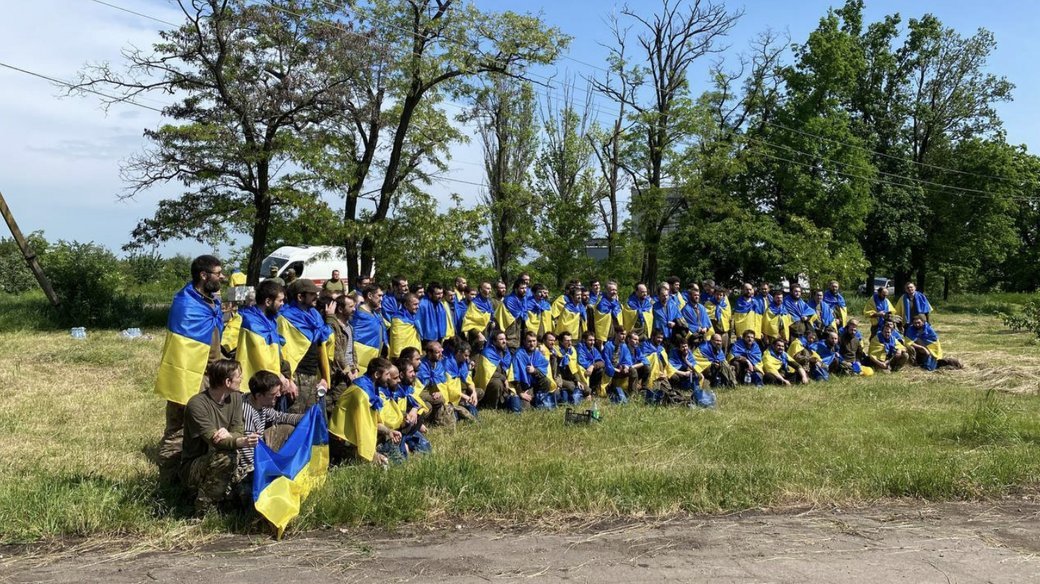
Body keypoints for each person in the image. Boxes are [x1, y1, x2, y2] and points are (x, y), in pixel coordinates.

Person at [155, 254, 225, 484]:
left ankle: (191, 481)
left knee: (204, 432)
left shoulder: (211, 303)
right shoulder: (186, 304)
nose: (222, 277)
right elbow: (184, 350)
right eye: (218, 273)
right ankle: (167, 483)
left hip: (209, 377)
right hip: (186, 377)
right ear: (204, 275)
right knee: (178, 430)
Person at [180, 359, 256, 515]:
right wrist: (240, 441)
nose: (242, 379)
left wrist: (230, 435)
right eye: (239, 376)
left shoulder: (235, 397)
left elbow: (238, 429)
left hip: (224, 458)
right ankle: (203, 509)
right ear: (227, 382)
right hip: (195, 465)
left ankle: (224, 499)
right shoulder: (197, 405)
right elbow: (214, 441)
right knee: (225, 457)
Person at [236, 370, 303, 495]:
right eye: (273, 394)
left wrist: (304, 418)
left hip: (257, 446)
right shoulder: (247, 413)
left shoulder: (261, 404)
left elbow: (279, 417)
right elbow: (246, 451)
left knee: (288, 429)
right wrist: (258, 474)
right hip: (244, 460)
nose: (278, 395)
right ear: (259, 395)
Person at [278, 279, 334, 413]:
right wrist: (288, 380)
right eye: (312, 294)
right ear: (300, 297)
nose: (316, 296)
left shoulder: (315, 316)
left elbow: (322, 346)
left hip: (314, 377)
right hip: (296, 377)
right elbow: (282, 352)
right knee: (293, 419)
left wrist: (324, 377)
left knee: (311, 419)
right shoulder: (285, 318)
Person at [236, 279, 295, 405]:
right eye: (280, 300)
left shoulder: (270, 321)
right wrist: (279, 377)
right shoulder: (250, 321)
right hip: (253, 389)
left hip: (269, 385)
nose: (283, 304)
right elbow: (261, 358)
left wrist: (286, 376)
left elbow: (276, 354)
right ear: (268, 302)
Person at [329, 357, 397, 466]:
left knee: (388, 441)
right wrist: (372, 454)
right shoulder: (362, 394)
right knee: (381, 463)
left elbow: (373, 422)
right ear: (376, 375)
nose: (390, 377)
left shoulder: (370, 388)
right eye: (387, 374)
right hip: (342, 442)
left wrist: (389, 431)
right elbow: (363, 427)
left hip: (352, 440)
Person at [416, 341, 457, 427]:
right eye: (437, 352)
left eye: (441, 352)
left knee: (435, 402)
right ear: (429, 353)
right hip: (422, 393)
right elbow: (418, 387)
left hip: (433, 392)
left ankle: (436, 420)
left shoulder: (439, 364)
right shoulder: (421, 365)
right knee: (438, 400)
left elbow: (443, 383)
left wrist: (440, 392)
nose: (441, 354)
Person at [474, 331, 516, 411]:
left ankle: (503, 404)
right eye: (501, 339)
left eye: (505, 339)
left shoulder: (506, 353)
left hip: (505, 382)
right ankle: (491, 407)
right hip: (489, 383)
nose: (504, 341)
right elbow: (488, 373)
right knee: (497, 383)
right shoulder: (486, 353)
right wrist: (504, 379)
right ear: (494, 342)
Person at [513, 331, 553, 409]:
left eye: (534, 341)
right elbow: (515, 376)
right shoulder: (518, 355)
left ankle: (538, 401)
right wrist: (520, 392)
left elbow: (543, 371)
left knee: (546, 381)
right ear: (524, 342)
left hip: (534, 384)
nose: (532, 344)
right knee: (525, 408)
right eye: (529, 341)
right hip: (523, 386)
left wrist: (534, 370)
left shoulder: (537, 353)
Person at [352, 284, 388, 371]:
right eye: (379, 295)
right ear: (370, 295)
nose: (381, 299)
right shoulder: (358, 315)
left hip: (375, 358)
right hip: (361, 360)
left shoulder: (376, 314)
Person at [444, 340, 481, 418]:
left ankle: (464, 406)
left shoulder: (462, 363)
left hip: (459, 393)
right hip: (449, 396)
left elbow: (469, 380)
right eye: (465, 355)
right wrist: (464, 396)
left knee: (479, 392)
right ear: (458, 352)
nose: (467, 359)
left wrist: (473, 393)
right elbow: (449, 388)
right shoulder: (447, 364)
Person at [415, 282, 455, 348]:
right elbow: (418, 323)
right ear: (430, 294)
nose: (441, 296)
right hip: (426, 340)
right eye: (438, 294)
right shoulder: (422, 305)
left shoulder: (440, 304)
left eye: (441, 293)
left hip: (439, 337)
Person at [496, 278, 529, 349]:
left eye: (525, 288)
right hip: (509, 340)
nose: (525, 290)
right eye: (522, 288)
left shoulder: (523, 300)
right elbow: (516, 316)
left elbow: (524, 315)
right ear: (516, 289)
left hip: (520, 338)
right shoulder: (509, 300)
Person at [557, 331, 589, 405]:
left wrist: (577, 381)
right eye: (567, 341)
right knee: (571, 386)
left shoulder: (572, 350)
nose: (570, 343)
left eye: (570, 340)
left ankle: (579, 396)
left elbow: (574, 368)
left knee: (587, 390)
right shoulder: (557, 351)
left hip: (572, 378)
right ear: (561, 342)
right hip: (560, 378)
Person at [461, 281, 495, 349]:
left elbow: (489, 317)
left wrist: (492, 322)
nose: (490, 291)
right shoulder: (474, 304)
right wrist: (478, 334)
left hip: (487, 337)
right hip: (477, 340)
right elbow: (468, 323)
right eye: (487, 288)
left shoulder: (489, 303)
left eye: (490, 289)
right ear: (481, 290)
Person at [389, 293, 422, 359]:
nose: (418, 307)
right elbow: (397, 341)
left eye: (418, 304)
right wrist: (398, 358)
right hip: (403, 358)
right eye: (415, 304)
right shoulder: (398, 320)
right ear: (406, 305)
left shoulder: (413, 317)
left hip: (415, 355)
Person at [601, 328, 629, 403]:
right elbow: (606, 360)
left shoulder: (624, 346)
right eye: (621, 334)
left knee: (632, 371)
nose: (624, 336)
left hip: (619, 369)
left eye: (625, 334)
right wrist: (614, 369)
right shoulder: (608, 345)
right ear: (616, 334)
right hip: (609, 370)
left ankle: (629, 392)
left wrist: (625, 366)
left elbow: (627, 358)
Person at [576, 331, 606, 397]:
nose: (592, 342)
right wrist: (593, 365)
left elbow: (602, 362)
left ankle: (594, 391)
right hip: (582, 373)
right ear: (584, 340)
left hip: (591, 370)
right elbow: (582, 362)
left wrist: (593, 366)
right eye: (590, 340)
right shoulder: (580, 348)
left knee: (601, 370)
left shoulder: (593, 349)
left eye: (593, 340)